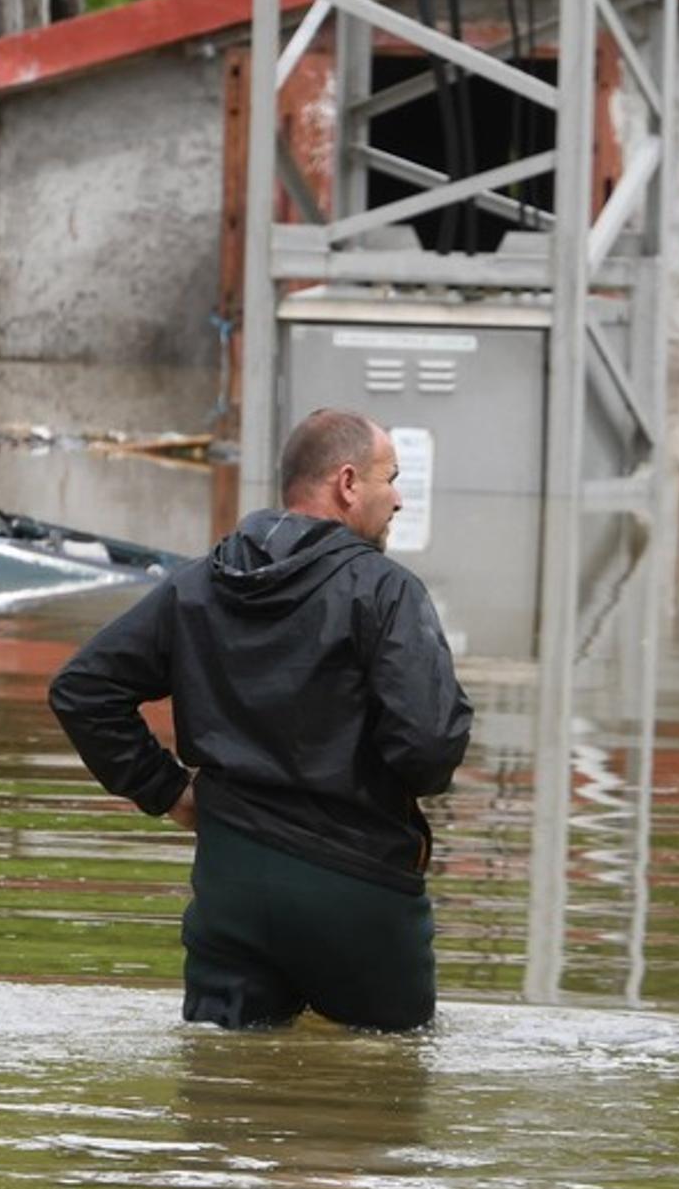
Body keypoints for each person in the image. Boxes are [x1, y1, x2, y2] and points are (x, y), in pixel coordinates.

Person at [49, 408, 472, 1030]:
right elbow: (429, 750)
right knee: (390, 1075)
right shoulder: (386, 592)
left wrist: (168, 792)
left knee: (224, 1073)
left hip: (232, 888)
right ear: (348, 483)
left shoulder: (199, 584)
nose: (399, 499)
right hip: (358, 889)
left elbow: (84, 690)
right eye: (391, 479)